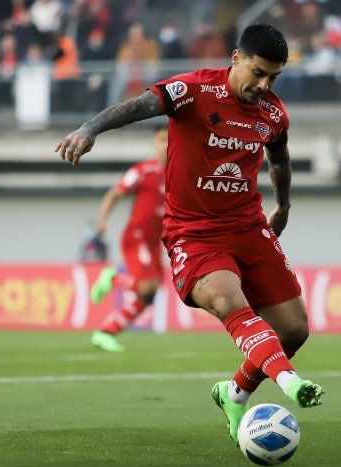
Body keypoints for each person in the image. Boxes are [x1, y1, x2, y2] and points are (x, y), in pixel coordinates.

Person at [56, 23, 325, 445]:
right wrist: (90, 129)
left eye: (273, 77)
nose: (263, 85)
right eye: (258, 73)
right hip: (193, 233)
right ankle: (290, 382)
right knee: (226, 298)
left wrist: (285, 205)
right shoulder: (193, 91)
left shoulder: (273, 114)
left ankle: (234, 394)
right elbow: (137, 105)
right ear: (235, 58)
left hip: (249, 227)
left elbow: (280, 158)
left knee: (294, 329)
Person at [89, 124, 169, 353]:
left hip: (155, 241)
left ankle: (106, 332)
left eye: (170, 139)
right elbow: (115, 193)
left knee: (149, 293)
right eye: (162, 139)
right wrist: (102, 221)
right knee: (147, 286)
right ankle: (112, 279)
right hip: (137, 236)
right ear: (154, 143)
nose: (166, 144)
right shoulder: (144, 170)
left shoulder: (179, 173)